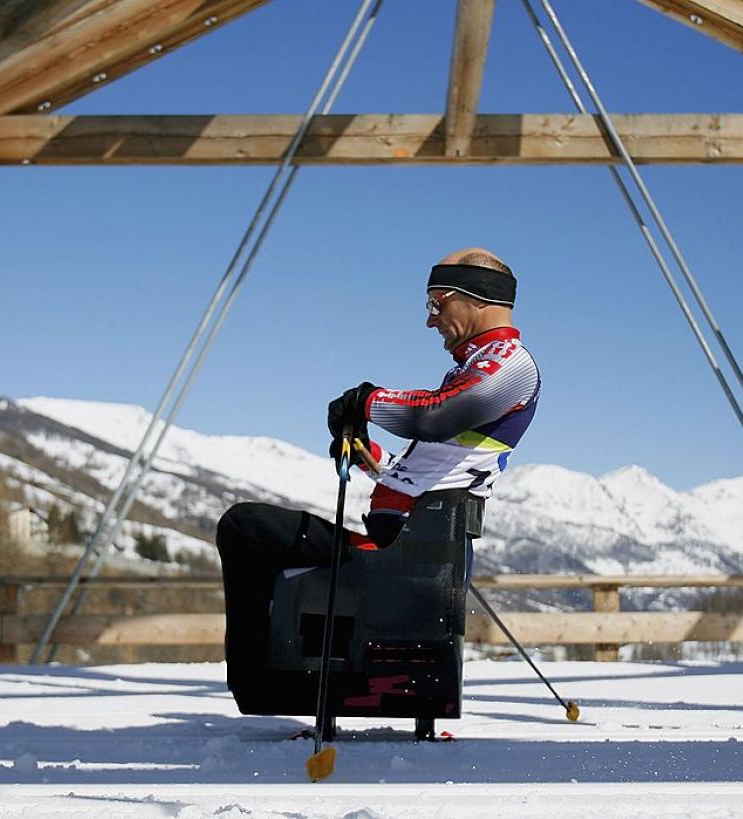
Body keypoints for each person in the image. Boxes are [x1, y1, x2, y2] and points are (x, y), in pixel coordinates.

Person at [214, 247, 541, 695]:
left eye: (436, 304)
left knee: (245, 528)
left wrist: (364, 399)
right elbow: (429, 469)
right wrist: (367, 453)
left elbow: (435, 416)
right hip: (403, 548)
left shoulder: (510, 363)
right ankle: (270, 682)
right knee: (254, 532)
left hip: (412, 560)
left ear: (476, 298)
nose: (430, 320)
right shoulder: (472, 368)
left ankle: (266, 686)